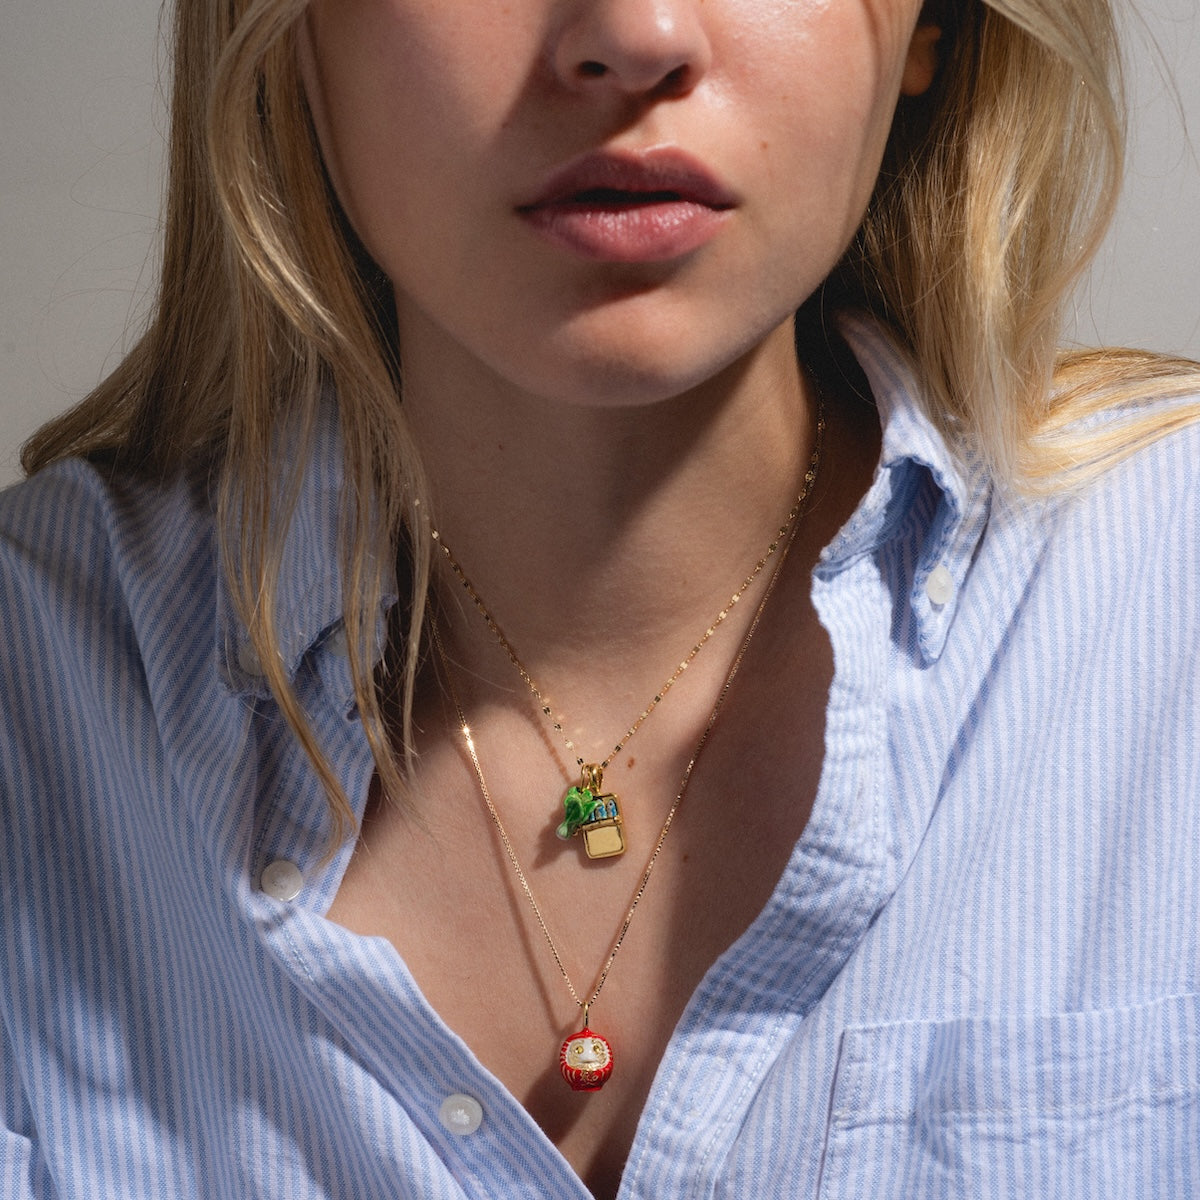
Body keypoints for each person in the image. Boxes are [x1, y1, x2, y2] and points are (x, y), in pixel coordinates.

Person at [2, 0, 1199, 1196]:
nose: (636, 32)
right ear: (291, 32)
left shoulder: (1167, 599)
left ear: (935, 24)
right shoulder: (34, 689)